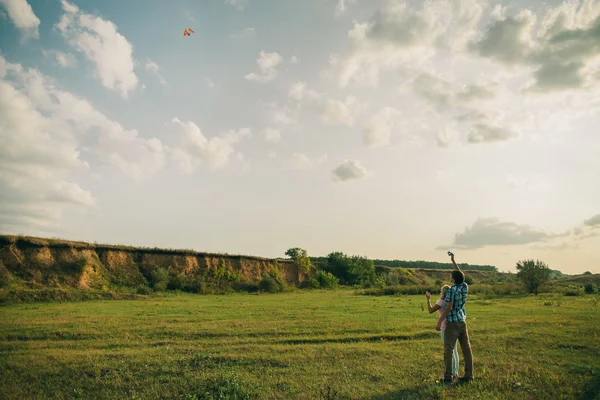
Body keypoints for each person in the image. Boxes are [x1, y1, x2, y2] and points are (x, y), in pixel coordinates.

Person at [436, 252, 474, 384]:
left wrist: (439, 321)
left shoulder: (451, 290)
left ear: (453, 279)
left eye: (451, 276)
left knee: (448, 350)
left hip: (452, 323)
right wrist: (453, 260)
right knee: (466, 349)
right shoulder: (464, 287)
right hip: (462, 321)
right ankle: (469, 375)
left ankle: (447, 377)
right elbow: (460, 274)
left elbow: (448, 308)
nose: (450, 277)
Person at [425, 285, 459, 379]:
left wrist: (428, 300)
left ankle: (450, 373)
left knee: (449, 351)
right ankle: (455, 372)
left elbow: (430, 310)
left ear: (442, 292)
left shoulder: (441, 302)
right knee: (455, 350)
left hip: (445, 328)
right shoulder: (452, 302)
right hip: (454, 326)